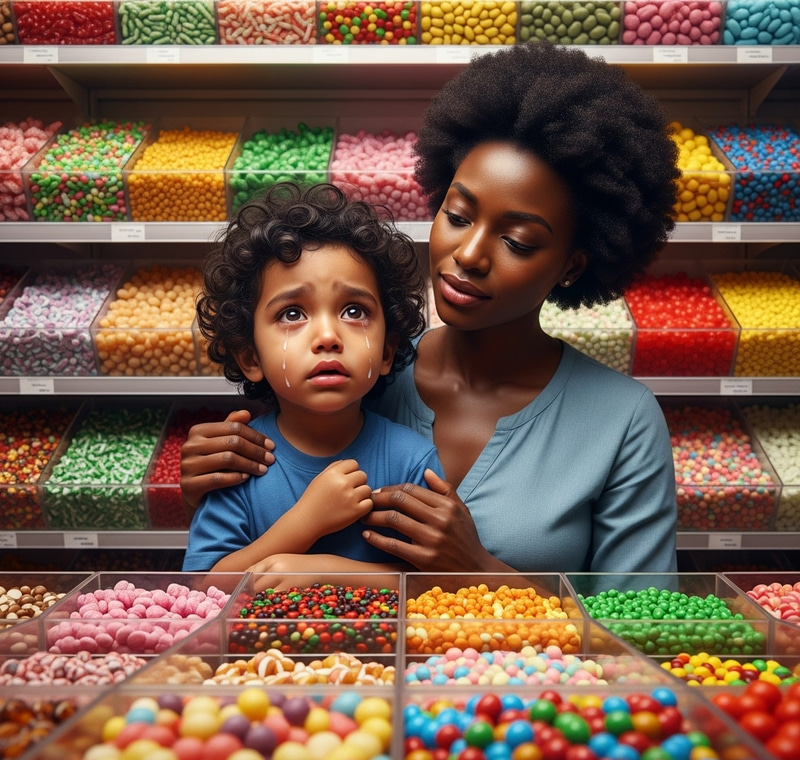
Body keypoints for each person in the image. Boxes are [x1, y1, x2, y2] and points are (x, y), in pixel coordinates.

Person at [180, 41, 680, 576]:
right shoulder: (359, 370)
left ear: (573, 265)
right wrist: (214, 474)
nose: (468, 254)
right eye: (457, 216)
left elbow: (635, 620)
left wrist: (475, 570)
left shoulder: (622, 421)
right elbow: (238, 542)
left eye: (518, 241)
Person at [182, 182, 444, 573]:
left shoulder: (413, 461)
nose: (327, 336)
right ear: (250, 357)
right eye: (292, 314)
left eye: (354, 311)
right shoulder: (241, 464)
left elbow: (440, 585)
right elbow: (202, 588)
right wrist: (305, 523)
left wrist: (327, 570)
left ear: (387, 352)